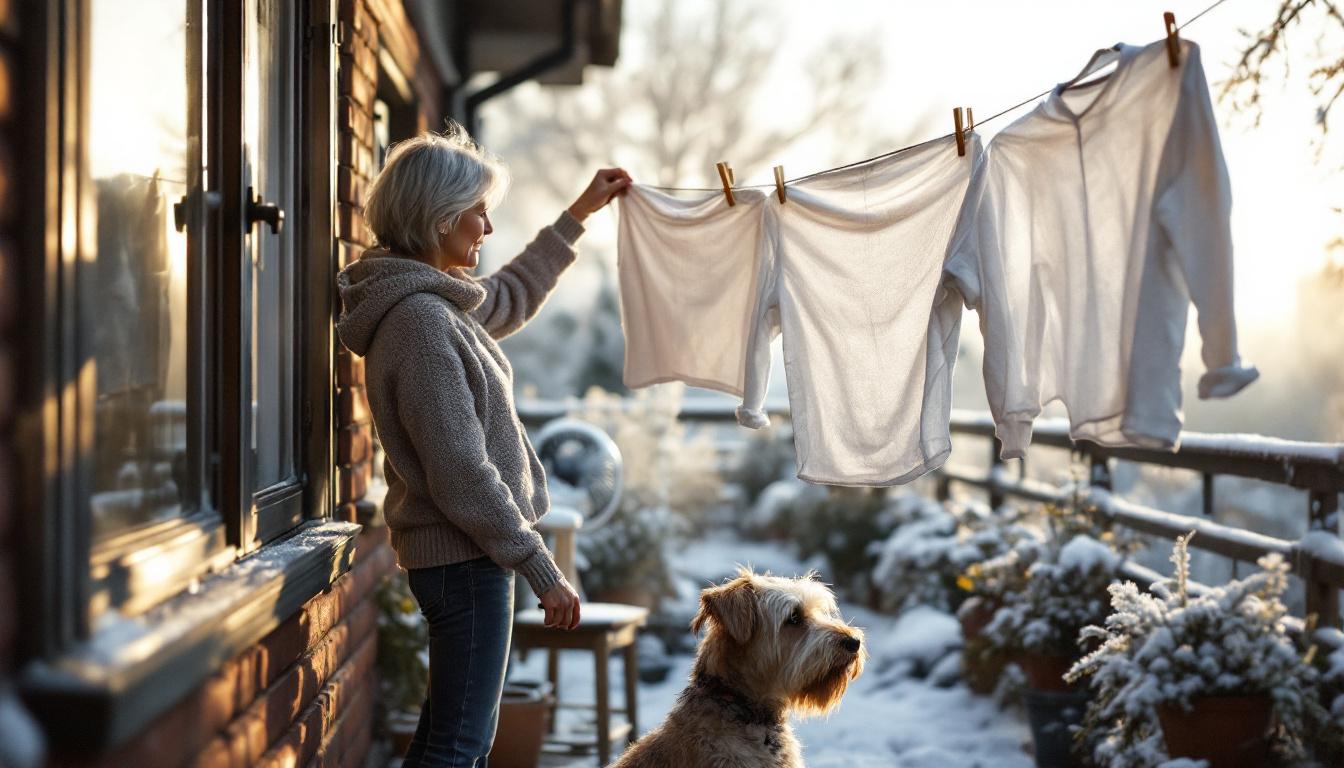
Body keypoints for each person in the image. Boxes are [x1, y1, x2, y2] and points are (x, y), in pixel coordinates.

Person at [335, 124, 631, 767]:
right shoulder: (419, 322)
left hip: (462, 560)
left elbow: (508, 297)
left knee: (445, 740)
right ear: (442, 221)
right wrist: (539, 566)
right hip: (465, 563)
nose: (488, 229)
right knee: (459, 748)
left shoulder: (431, 305)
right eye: (479, 213)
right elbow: (461, 469)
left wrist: (577, 216)